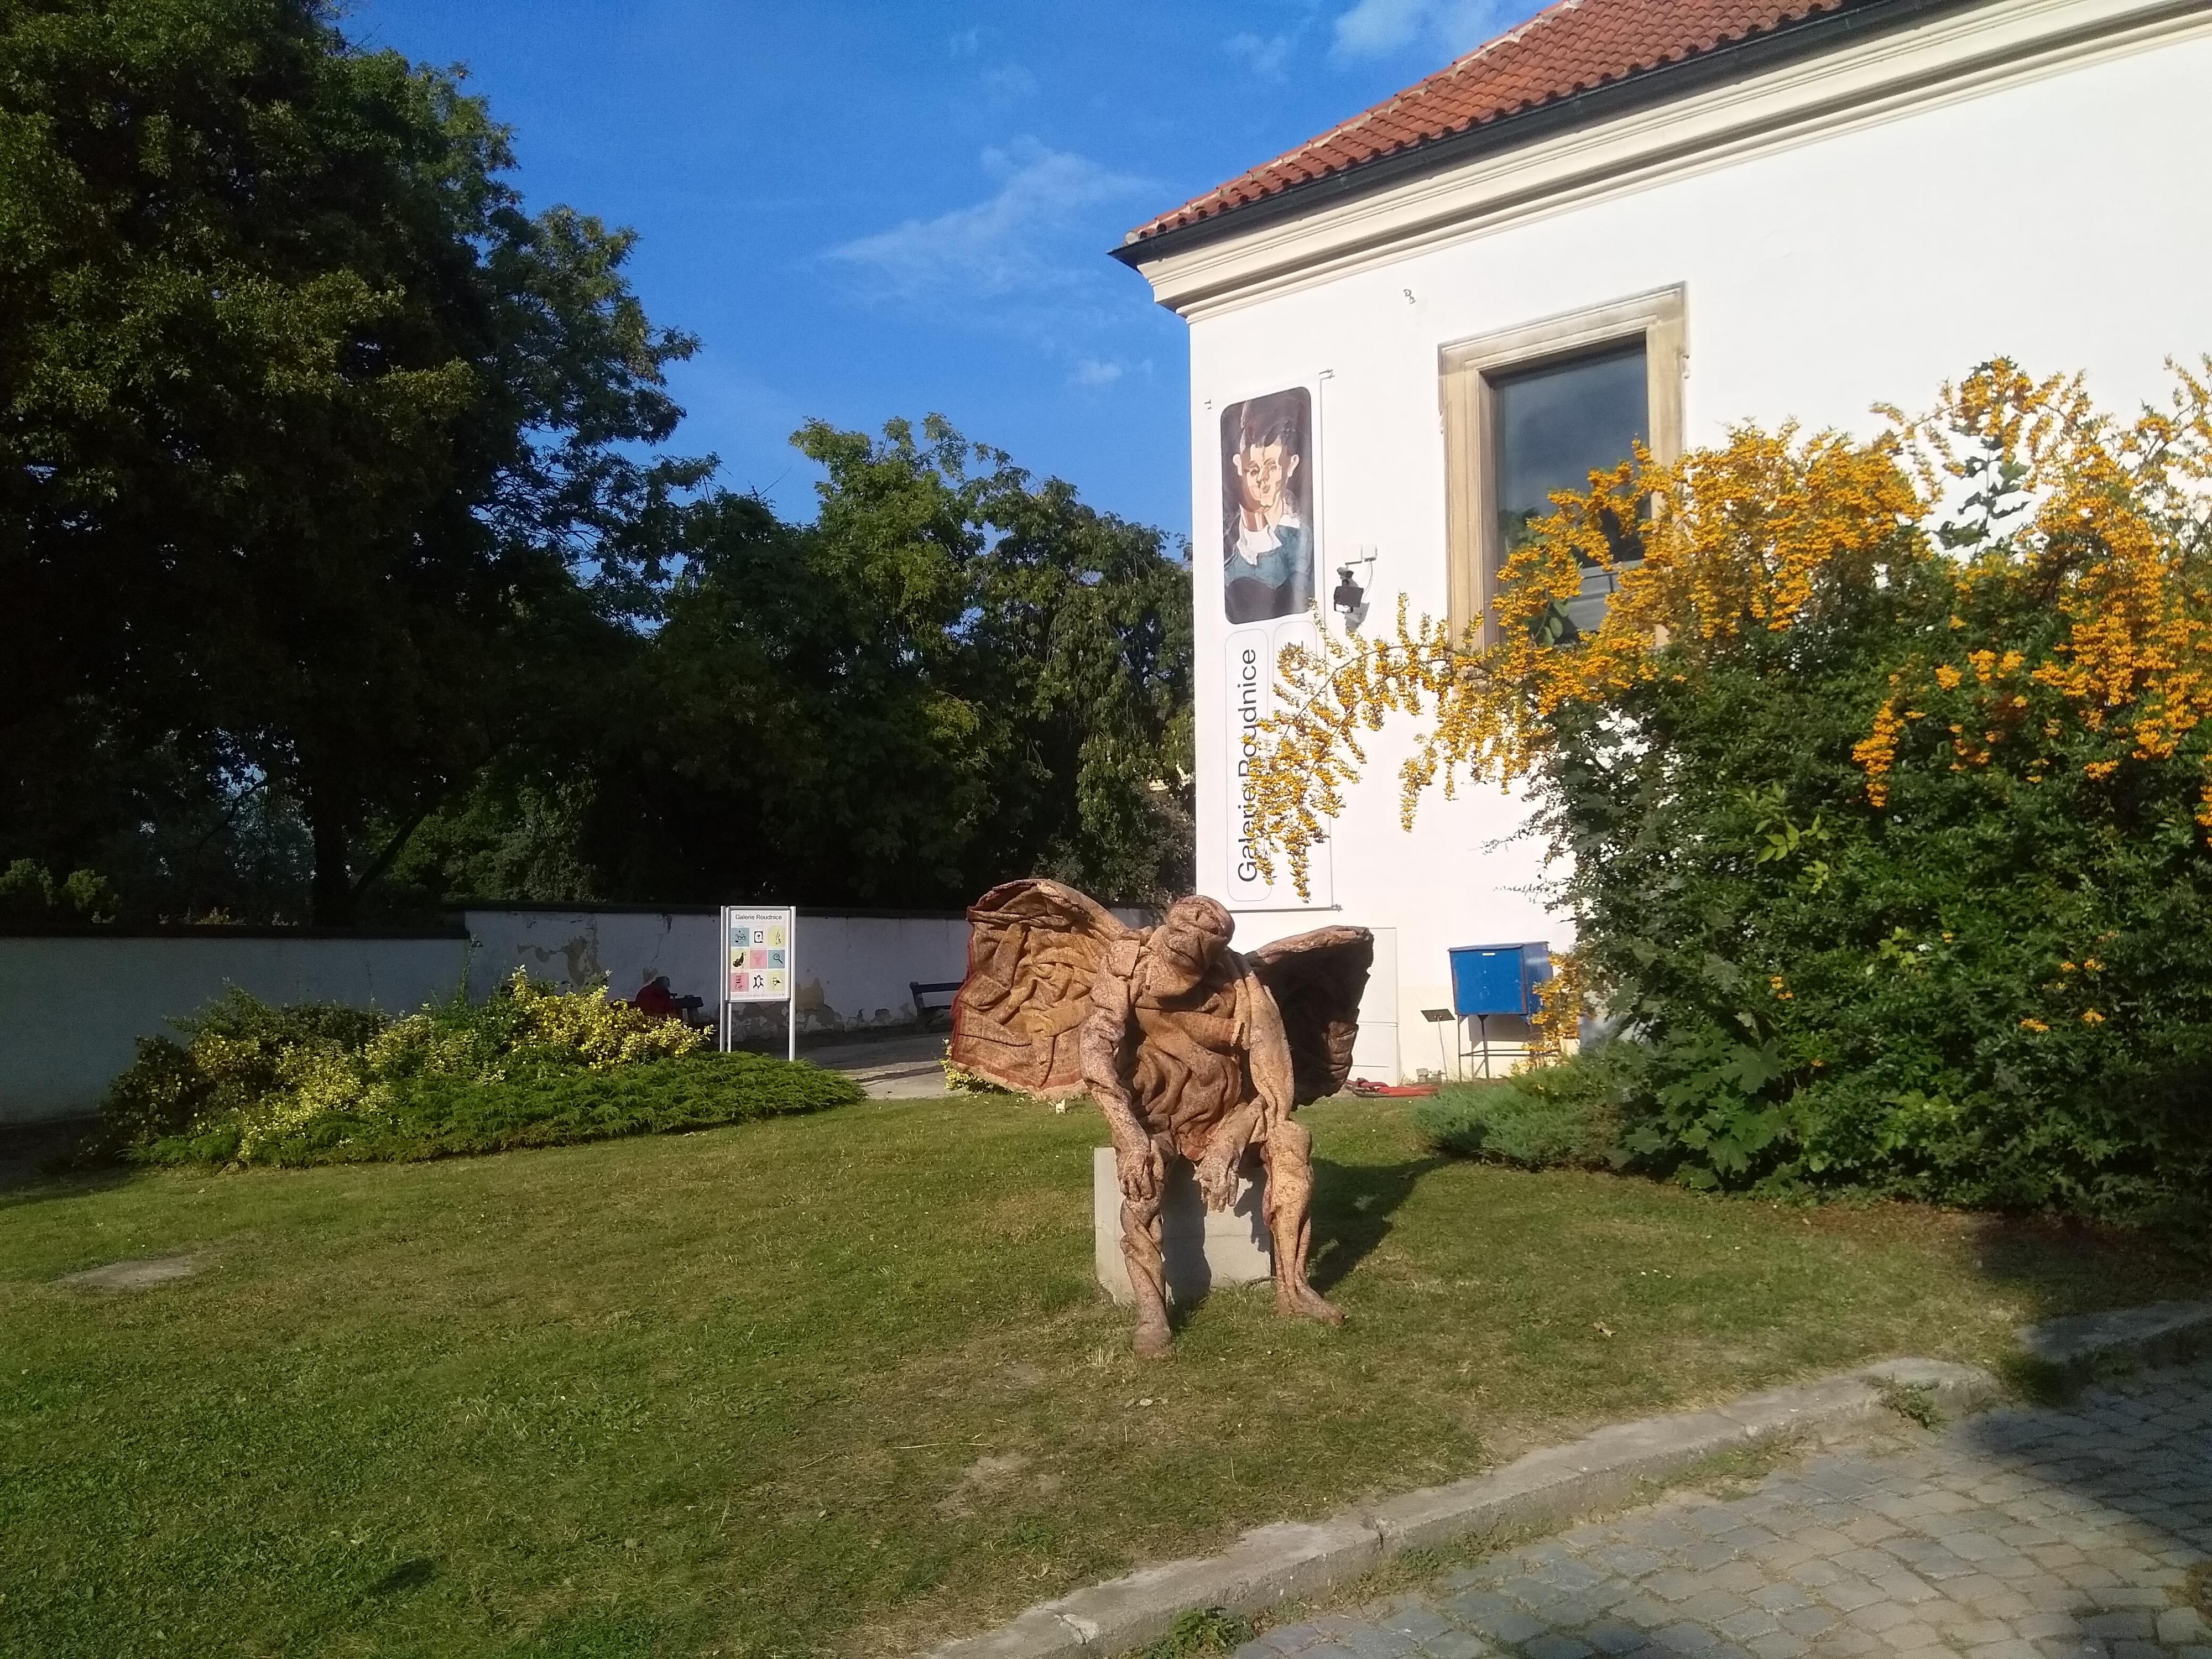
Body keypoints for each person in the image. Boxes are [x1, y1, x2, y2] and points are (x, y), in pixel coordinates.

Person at [1222, 395, 1313, 624]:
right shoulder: (1227, 548)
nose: (1262, 480)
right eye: (1253, 469)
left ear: (1291, 465)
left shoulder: (1310, 537)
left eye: (1272, 467)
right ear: (1239, 467)